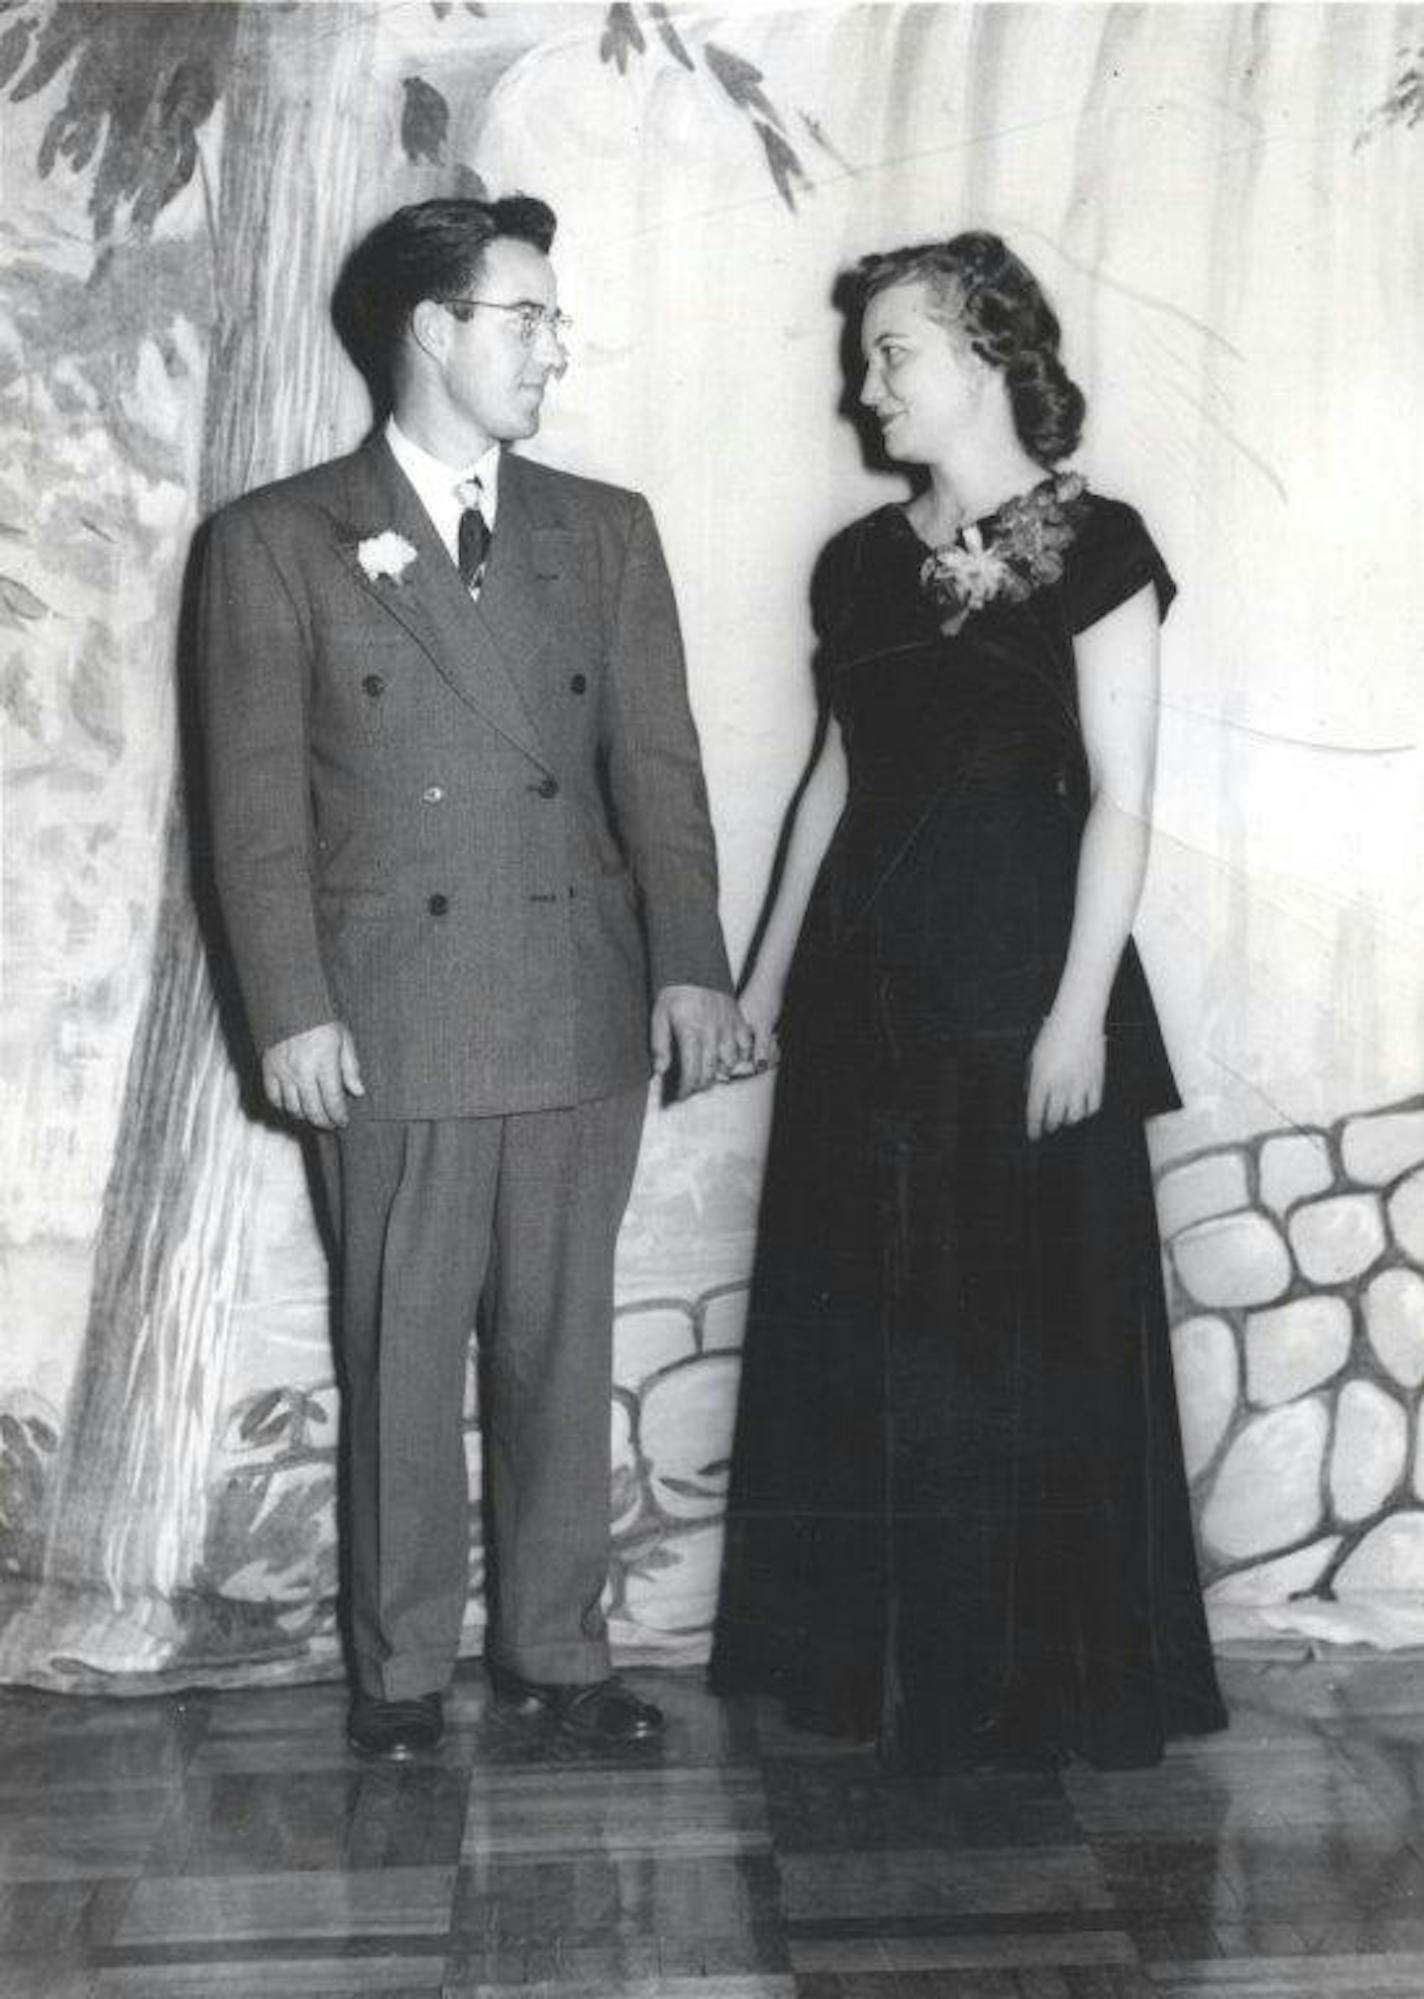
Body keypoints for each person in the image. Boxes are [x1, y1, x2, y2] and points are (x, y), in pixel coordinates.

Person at [200, 194, 748, 1760]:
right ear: (432, 331)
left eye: (555, 322)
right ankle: (397, 1678)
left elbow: (660, 769)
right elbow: (253, 816)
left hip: (578, 1004)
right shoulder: (275, 541)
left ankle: (559, 1655)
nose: (554, 350)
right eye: (527, 318)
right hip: (388, 1021)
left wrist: (692, 969)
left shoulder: (605, 528)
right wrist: (292, 1005)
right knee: (399, 1354)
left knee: (560, 1349)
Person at [710, 231, 1227, 1771]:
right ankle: (884, 1678)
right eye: (866, 355)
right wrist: (763, 984)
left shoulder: (1102, 545)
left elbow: (1124, 803)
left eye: (894, 351)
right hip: (866, 1013)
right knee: (876, 1336)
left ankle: (1030, 1691)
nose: (866, 385)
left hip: (1020, 1006)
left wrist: (1076, 1018)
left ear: (992, 355)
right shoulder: (860, 562)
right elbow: (834, 782)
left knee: (1017, 1347)